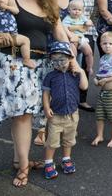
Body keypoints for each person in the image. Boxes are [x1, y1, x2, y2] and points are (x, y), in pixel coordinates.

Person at [0, 0, 75, 188]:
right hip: (14, 63)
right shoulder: (10, 1)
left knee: (27, 113)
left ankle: (18, 160)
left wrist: (70, 55)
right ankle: (24, 166)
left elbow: (59, 30)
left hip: (40, 63)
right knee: (22, 114)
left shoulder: (47, 4)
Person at [41, 41, 89, 180]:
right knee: (52, 141)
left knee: (69, 139)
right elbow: (46, 94)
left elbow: (84, 87)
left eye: (62, 59)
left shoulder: (75, 73)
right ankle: (48, 163)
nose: (58, 63)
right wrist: (46, 107)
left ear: (70, 58)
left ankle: (66, 159)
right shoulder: (50, 76)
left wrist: (80, 70)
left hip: (72, 115)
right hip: (55, 115)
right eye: (54, 60)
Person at [71, 0, 98, 111]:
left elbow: (88, 13)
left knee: (86, 66)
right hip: (73, 31)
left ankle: (82, 99)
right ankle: (70, 97)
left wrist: (86, 25)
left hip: (88, 31)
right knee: (72, 64)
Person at [91, 31, 112, 148]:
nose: (107, 46)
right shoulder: (103, 58)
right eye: (104, 43)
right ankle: (100, 135)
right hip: (103, 92)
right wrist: (96, 79)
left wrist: (106, 80)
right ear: (100, 45)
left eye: (110, 43)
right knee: (99, 114)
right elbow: (101, 73)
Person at [62, 0, 95, 77]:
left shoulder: (82, 17)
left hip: (81, 38)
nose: (77, 11)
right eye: (74, 9)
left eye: (79, 10)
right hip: (72, 39)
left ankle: (89, 67)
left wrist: (88, 23)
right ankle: (74, 67)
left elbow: (89, 22)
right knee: (73, 53)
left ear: (82, 11)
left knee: (89, 52)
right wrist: (73, 32)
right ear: (69, 10)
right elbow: (64, 27)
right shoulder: (67, 18)